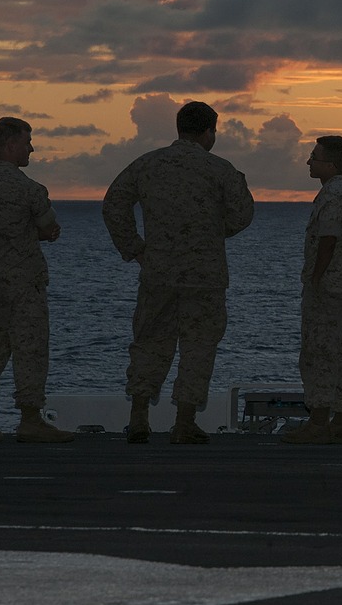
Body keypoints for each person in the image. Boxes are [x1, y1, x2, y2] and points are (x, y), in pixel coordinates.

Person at [103, 101, 254, 445]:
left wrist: (135, 248)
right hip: (205, 276)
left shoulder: (148, 164)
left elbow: (113, 204)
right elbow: (243, 214)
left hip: (158, 272)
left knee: (149, 342)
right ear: (208, 132)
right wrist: (214, 232)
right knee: (198, 347)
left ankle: (139, 417)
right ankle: (183, 422)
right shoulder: (219, 169)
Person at [0, 117, 74, 443]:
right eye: (27, 142)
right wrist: (40, 234)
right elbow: (49, 227)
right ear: (11, 146)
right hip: (24, 280)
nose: (32, 148)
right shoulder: (29, 189)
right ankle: (30, 418)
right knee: (30, 348)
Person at [283, 136, 342, 445]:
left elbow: (328, 239)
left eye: (314, 156)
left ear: (330, 164)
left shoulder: (332, 196)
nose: (309, 161)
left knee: (318, 352)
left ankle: (319, 421)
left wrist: (316, 278)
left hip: (330, 289)